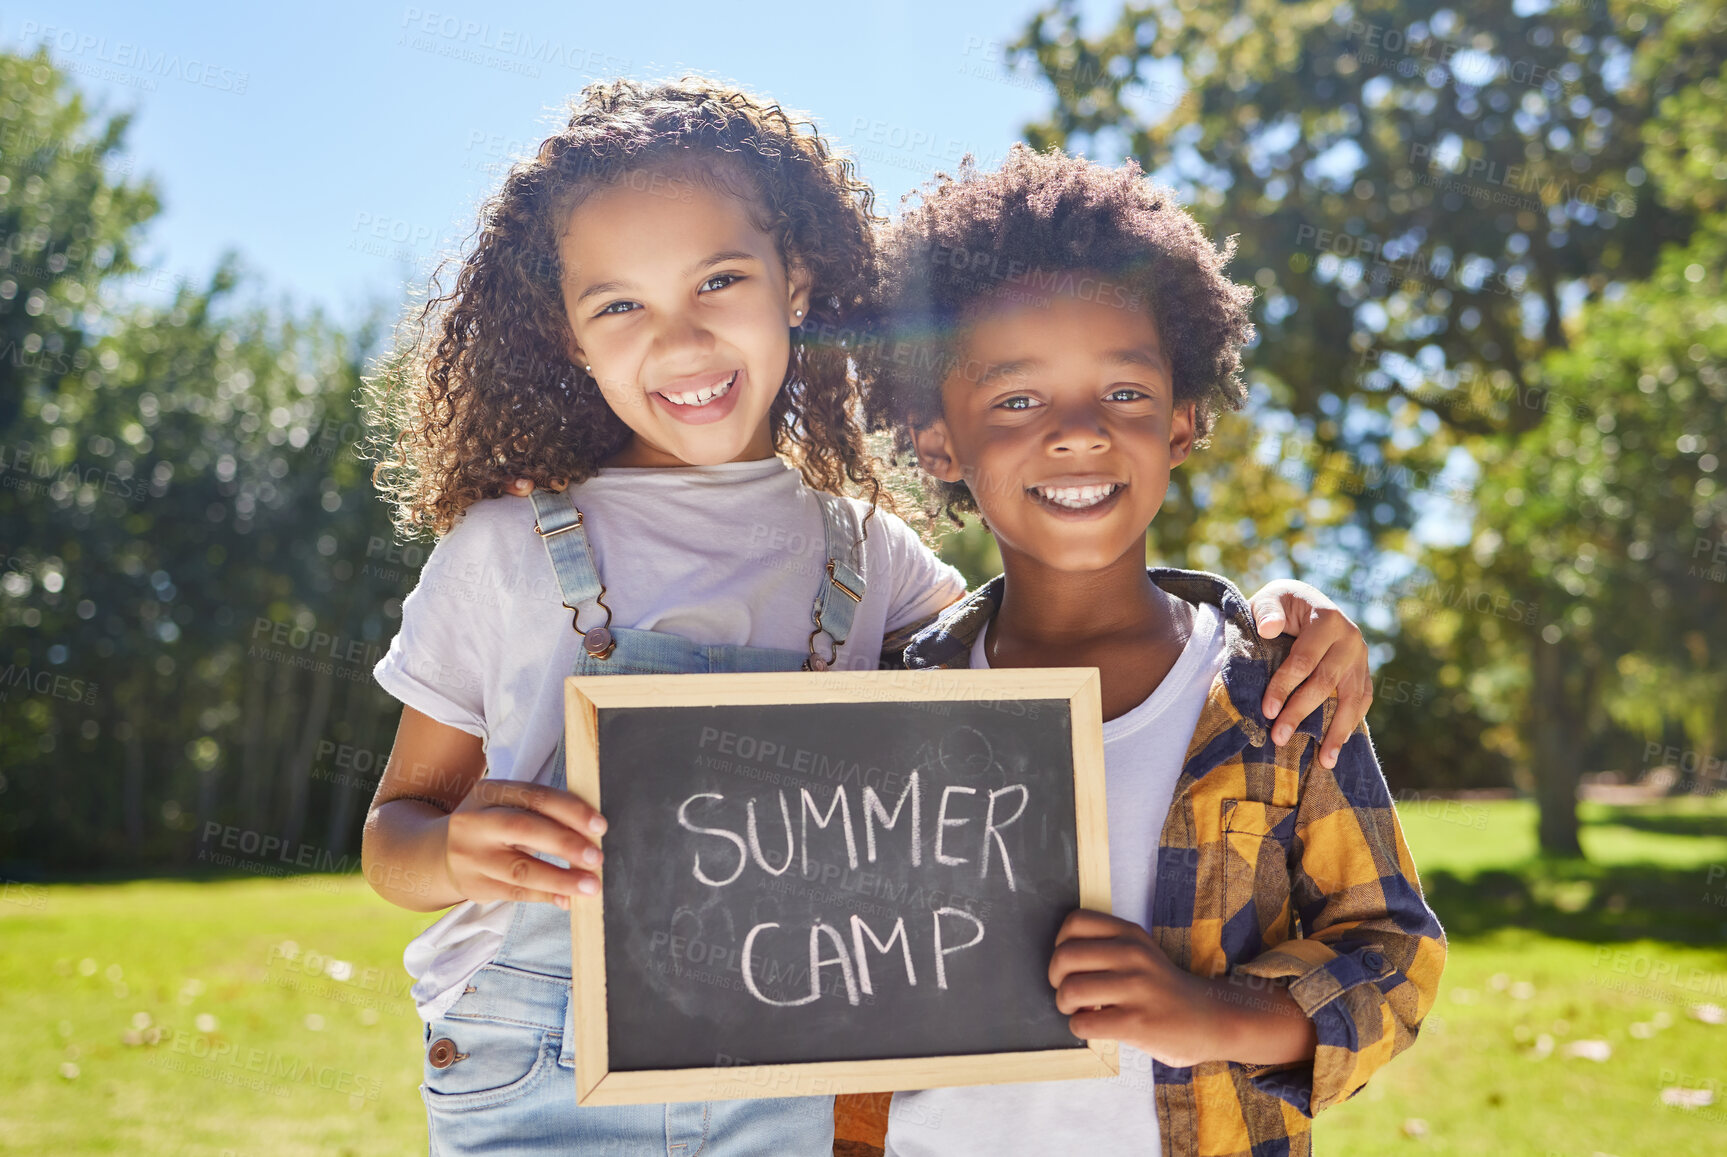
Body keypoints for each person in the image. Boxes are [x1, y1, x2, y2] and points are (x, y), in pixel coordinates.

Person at [357, 78, 1376, 1155]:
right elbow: (393, 835)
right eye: (620, 305)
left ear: (793, 281)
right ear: (563, 334)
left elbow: (1058, 619)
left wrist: (1265, 612)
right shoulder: (502, 550)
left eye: (720, 280)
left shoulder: (867, 556)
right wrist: (460, 850)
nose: (683, 338)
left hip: (792, 1067)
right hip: (537, 1062)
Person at [857, 144, 1447, 1157]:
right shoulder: (878, 704)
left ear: (1181, 420)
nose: (1078, 432)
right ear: (936, 442)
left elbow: (1390, 951)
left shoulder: (1282, 691)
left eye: (1123, 392)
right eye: (1014, 399)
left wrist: (1213, 1014)